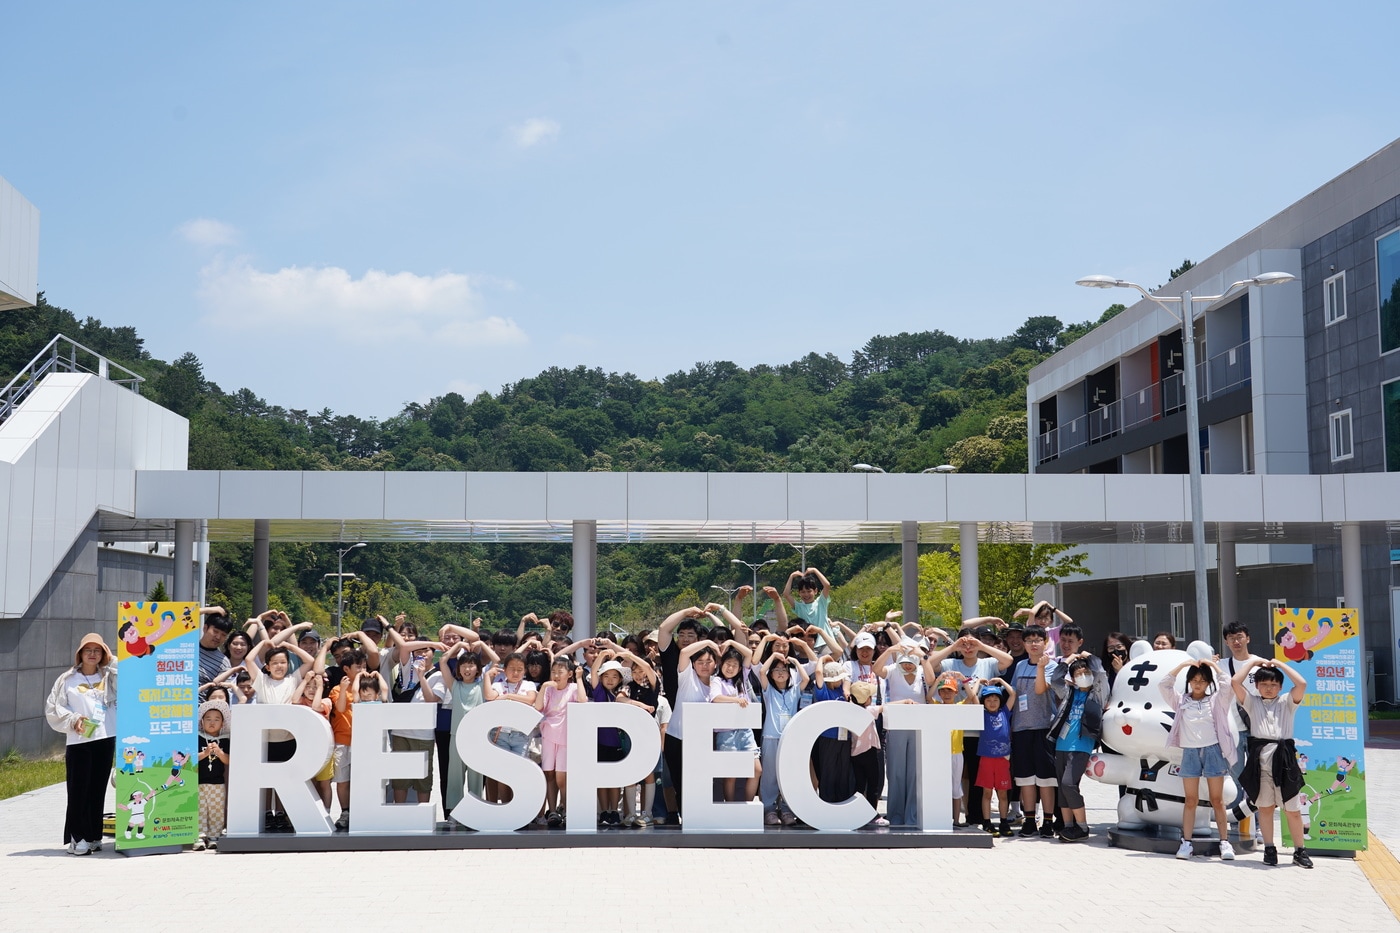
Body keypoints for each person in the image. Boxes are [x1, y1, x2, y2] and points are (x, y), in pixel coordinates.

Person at [1231, 658, 1312, 869]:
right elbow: (1235, 683)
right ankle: (1269, 848)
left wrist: (1279, 664)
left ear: (1281, 686)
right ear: (1257, 686)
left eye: (1274, 684)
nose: (1269, 688)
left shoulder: (1287, 702)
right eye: (1264, 684)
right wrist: (1254, 663)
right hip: (1261, 763)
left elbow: (1301, 684)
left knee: (1292, 810)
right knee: (1265, 808)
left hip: (1284, 762)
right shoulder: (1252, 702)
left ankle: (1299, 851)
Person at [45, 632, 118, 855]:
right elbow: (54, 708)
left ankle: (94, 835)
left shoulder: (110, 677)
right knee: (79, 791)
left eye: (98, 650)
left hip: (105, 738)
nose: (93, 654)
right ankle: (77, 837)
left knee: (98, 789)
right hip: (79, 741)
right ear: (80, 654)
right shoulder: (67, 680)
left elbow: (126, 673)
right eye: (88, 650)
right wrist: (73, 719)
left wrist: (111, 658)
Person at [1161, 658, 1237, 860]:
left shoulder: (1216, 700)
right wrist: (1182, 665)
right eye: (1194, 679)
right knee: (1191, 800)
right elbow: (1164, 684)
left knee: (1217, 800)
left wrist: (1213, 666)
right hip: (1190, 752)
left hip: (1213, 750)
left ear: (1208, 683)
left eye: (1202, 680)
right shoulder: (1181, 701)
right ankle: (1186, 843)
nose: (1197, 684)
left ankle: (1224, 842)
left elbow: (1227, 683)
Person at [245, 629, 318, 832]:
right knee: (267, 780)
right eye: (275, 663)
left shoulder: (293, 679)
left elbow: (309, 661)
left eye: (283, 662)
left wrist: (288, 646)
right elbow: (249, 659)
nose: (279, 666)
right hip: (265, 740)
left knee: (285, 779)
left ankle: (285, 814)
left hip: (288, 739)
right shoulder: (261, 681)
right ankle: (268, 813)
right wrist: (264, 643)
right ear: (267, 666)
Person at [1008, 625, 1059, 838]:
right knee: (1025, 778)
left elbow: (1040, 689)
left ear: (1045, 642)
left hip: (1044, 727)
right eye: (1029, 640)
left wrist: (1040, 667)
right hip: (1021, 728)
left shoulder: (1052, 666)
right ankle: (1029, 819)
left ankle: (1048, 820)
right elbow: (1014, 692)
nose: (1033, 644)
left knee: (1046, 778)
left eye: (1038, 640)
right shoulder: (1019, 665)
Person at [1047, 657, 1104, 842]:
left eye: (1086, 673)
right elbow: (1055, 680)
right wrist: (1066, 662)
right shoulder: (1069, 692)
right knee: (1063, 789)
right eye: (1078, 674)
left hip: (1081, 746)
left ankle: (1082, 827)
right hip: (1061, 745)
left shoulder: (1097, 693)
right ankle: (1068, 827)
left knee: (1068, 784)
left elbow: (1101, 674)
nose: (1083, 676)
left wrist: (1090, 659)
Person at [438, 640, 498, 814]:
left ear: (478, 669)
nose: (467, 669)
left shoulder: (482, 684)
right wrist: (458, 646)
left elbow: (496, 661)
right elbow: (443, 661)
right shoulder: (454, 685)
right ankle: (455, 814)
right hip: (456, 736)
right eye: (463, 665)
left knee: (476, 778)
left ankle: (475, 812)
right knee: (454, 778)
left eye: (471, 665)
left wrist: (481, 643)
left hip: (477, 738)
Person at [757, 645, 807, 825]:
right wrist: (775, 656)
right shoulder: (768, 691)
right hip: (771, 737)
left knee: (788, 775)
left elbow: (806, 678)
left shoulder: (794, 690)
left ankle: (786, 809)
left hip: (790, 739)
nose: (780, 673)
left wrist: (793, 661)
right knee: (769, 775)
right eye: (776, 670)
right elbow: (762, 671)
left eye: (783, 670)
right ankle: (769, 809)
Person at [535, 657, 587, 828]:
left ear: (569, 674)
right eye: (554, 671)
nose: (556, 675)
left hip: (566, 737)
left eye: (560, 671)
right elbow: (538, 707)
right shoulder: (548, 689)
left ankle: (565, 806)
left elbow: (582, 700)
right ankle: (553, 811)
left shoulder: (573, 687)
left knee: (561, 776)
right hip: (548, 734)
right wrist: (543, 687)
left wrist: (579, 679)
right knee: (549, 773)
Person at [877, 646, 925, 827]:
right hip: (896, 725)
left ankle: (912, 816)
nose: (908, 666)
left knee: (914, 773)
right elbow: (877, 670)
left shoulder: (922, 670)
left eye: (911, 662)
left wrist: (924, 657)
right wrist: (891, 651)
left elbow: (930, 679)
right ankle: (895, 815)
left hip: (919, 725)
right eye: (904, 662)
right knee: (896, 772)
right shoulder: (893, 670)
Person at [708, 642, 760, 805]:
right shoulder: (717, 680)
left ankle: (746, 805)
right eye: (728, 664)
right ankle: (730, 807)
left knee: (757, 770)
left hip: (745, 731)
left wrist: (731, 643)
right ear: (721, 664)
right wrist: (736, 700)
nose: (730, 668)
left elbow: (749, 655)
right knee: (730, 774)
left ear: (739, 668)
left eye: (734, 665)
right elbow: (715, 698)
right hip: (726, 733)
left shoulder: (742, 678)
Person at [970, 678, 1016, 836]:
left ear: (1000, 701)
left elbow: (1013, 693)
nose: (992, 702)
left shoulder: (1005, 712)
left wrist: (1001, 681)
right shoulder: (981, 714)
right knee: (987, 793)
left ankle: (1003, 822)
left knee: (1002, 793)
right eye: (988, 699)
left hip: (1003, 759)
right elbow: (972, 696)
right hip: (986, 759)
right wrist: (978, 684)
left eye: (995, 699)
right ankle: (987, 822)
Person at [849, 680, 892, 826]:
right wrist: (905, 701)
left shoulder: (851, 711)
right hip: (870, 752)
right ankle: (872, 815)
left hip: (855, 753)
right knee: (873, 785)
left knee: (859, 785)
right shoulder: (868, 711)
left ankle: (856, 813)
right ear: (866, 699)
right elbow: (884, 707)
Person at [812, 660, 855, 803]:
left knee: (844, 772)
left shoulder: (843, 690)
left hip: (845, 736)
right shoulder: (823, 691)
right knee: (828, 772)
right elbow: (818, 672)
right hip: (828, 736)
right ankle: (827, 802)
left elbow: (848, 678)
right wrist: (822, 659)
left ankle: (842, 803)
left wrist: (846, 688)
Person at [194, 699, 231, 850]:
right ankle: (200, 835)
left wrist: (220, 752)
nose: (212, 722)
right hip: (199, 781)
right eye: (208, 719)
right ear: (202, 722)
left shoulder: (225, 740)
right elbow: (191, 758)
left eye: (216, 719)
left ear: (222, 723)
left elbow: (228, 760)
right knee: (200, 808)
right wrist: (206, 753)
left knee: (216, 808)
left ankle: (214, 835)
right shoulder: (198, 737)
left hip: (218, 782)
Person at [931, 673, 966, 827]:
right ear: (939, 693)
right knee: (941, 786)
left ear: (956, 692)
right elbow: (927, 697)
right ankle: (942, 818)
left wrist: (963, 679)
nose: (946, 694)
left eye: (950, 690)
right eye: (943, 691)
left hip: (957, 752)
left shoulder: (961, 707)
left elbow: (972, 698)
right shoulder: (936, 706)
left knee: (956, 786)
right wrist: (938, 680)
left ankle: (957, 820)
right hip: (940, 753)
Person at [197, 607, 233, 686]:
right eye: (215, 631)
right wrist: (207, 610)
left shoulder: (223, 663)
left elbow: (223, 692)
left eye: (223, 635)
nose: (218, 637)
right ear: (205, 628)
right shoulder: (186, 648)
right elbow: (178, 616)